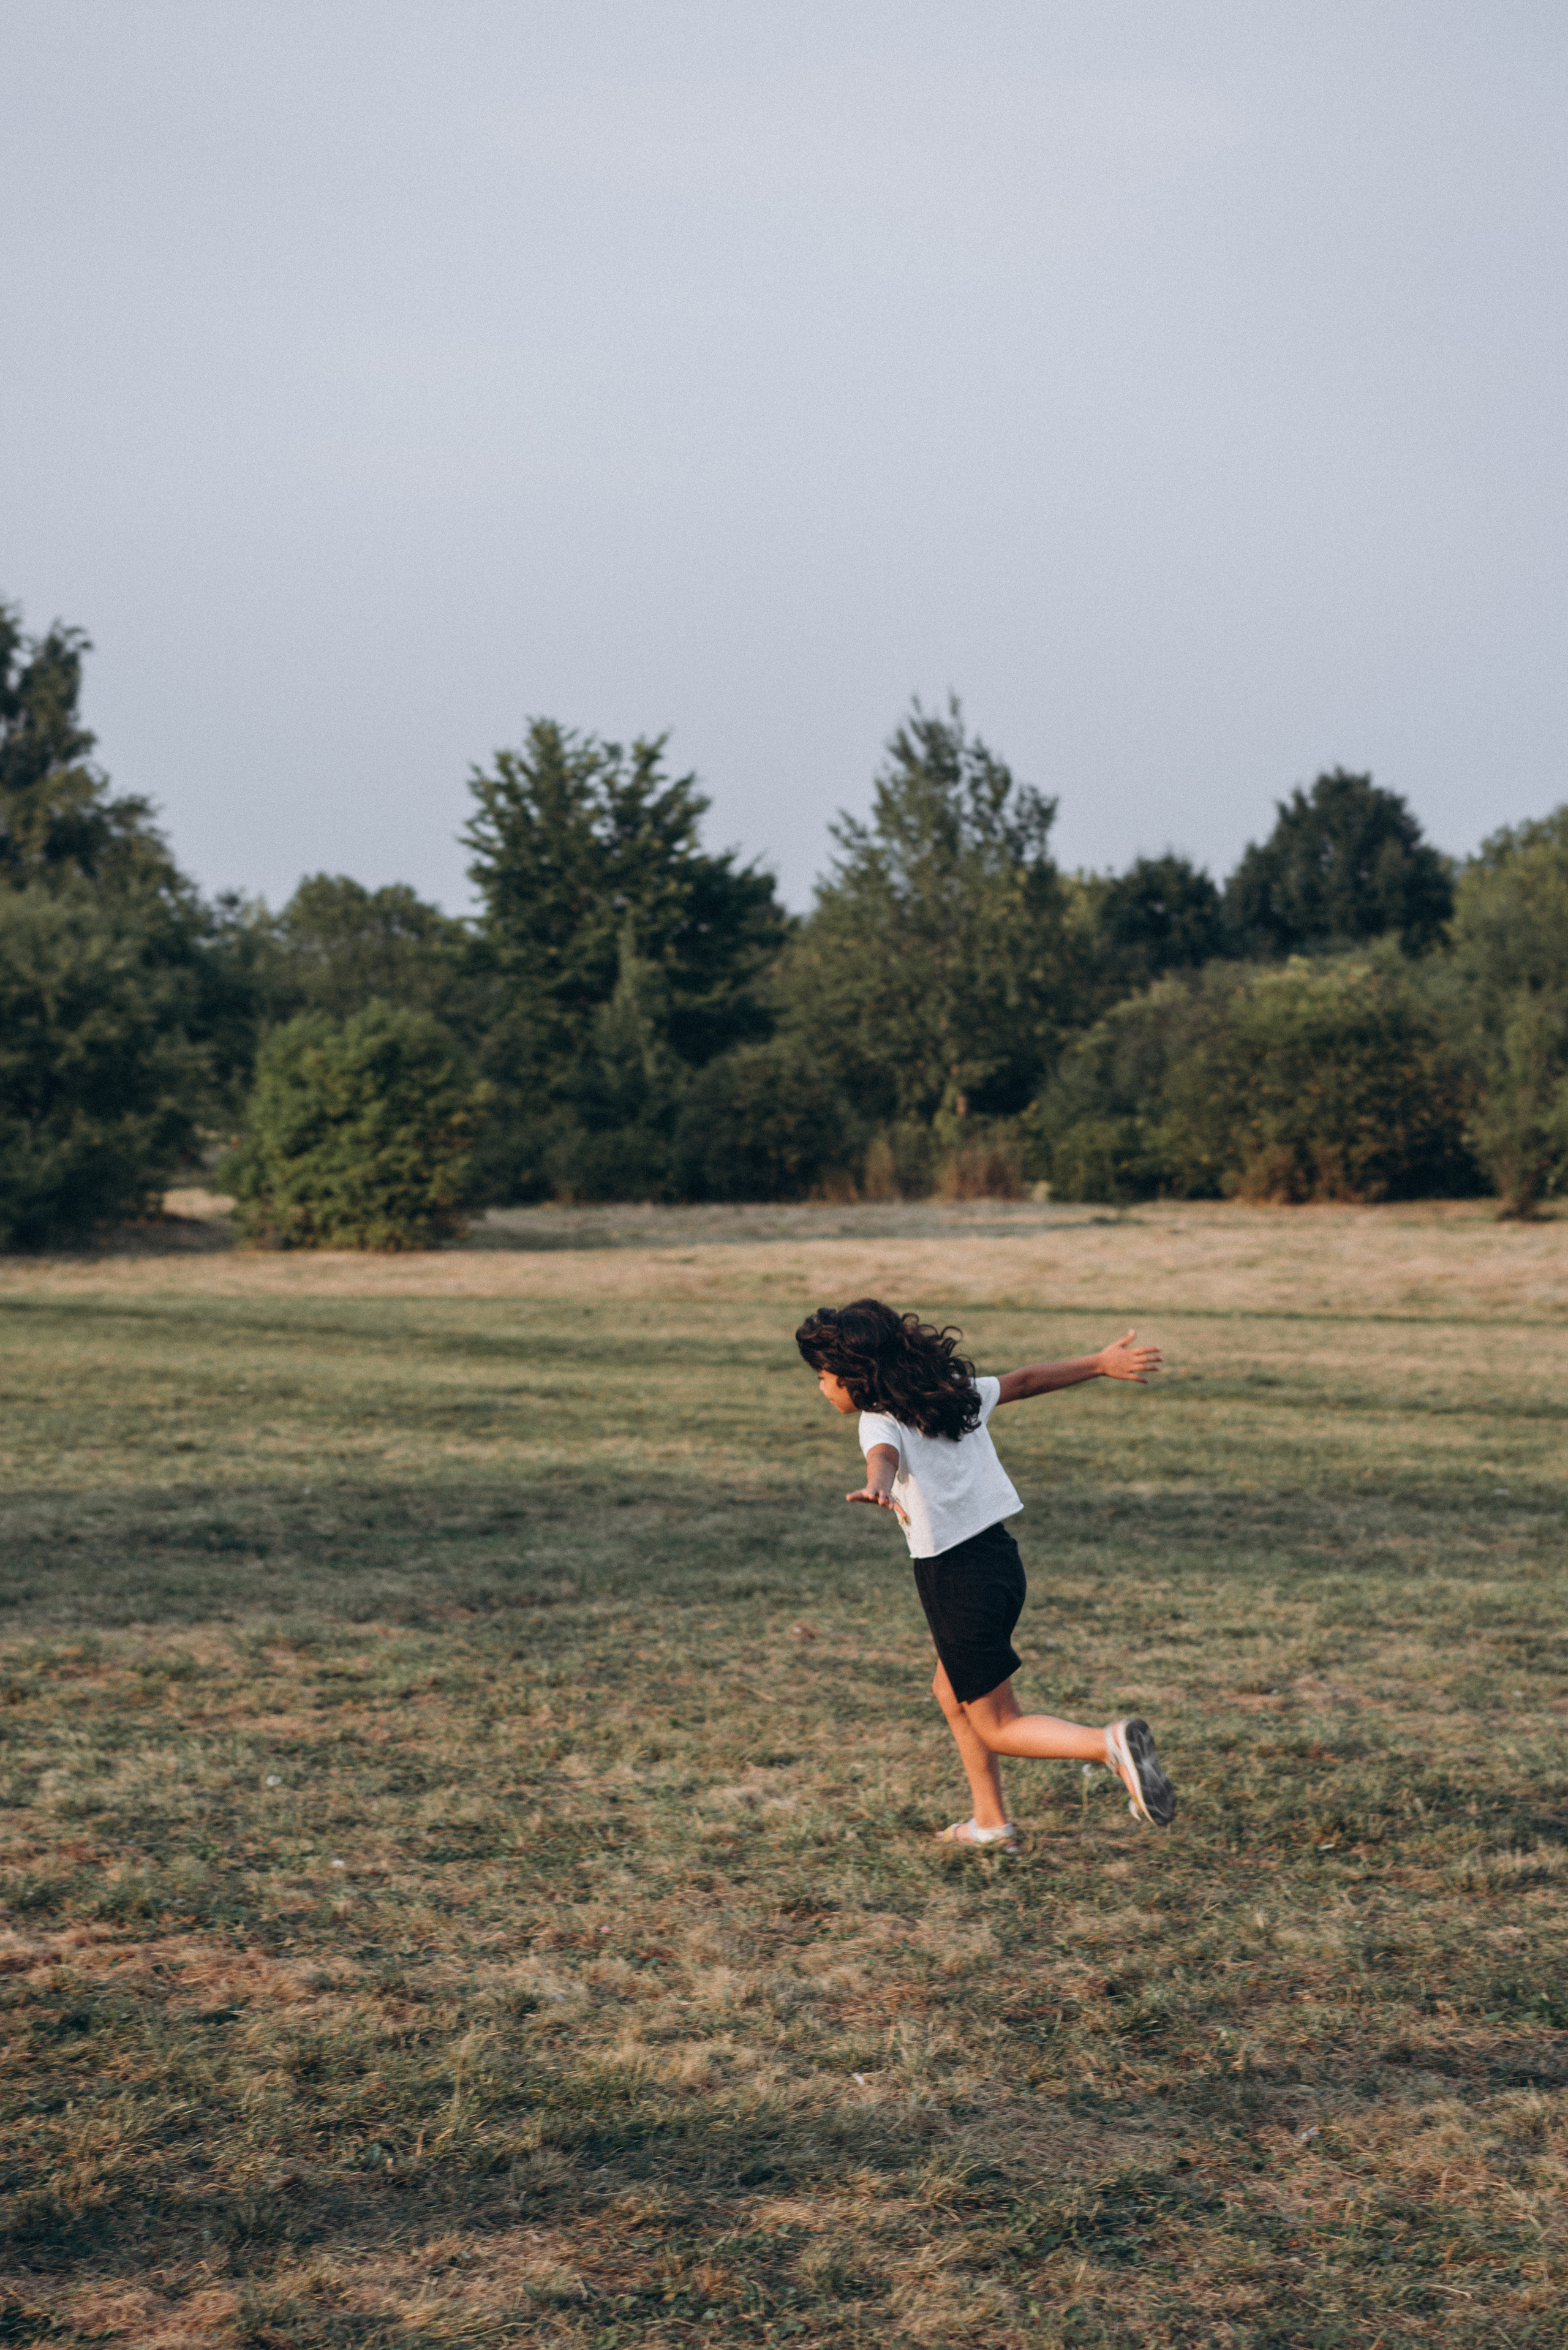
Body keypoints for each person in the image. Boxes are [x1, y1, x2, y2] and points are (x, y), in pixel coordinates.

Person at [795, 1297, 1175, 1850]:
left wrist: (878, 1482)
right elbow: (1022, 1382)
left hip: (953, 1576)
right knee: (950, 1692)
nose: (822, 1387)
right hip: (1000, 1560)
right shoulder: (949, 1390)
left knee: (998, 1722)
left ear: (860, 1377)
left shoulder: (878, 1418)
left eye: (827, 1377)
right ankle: (990, 1822)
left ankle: (1109, 1744)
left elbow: (883, 1456)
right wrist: (1096, 1363)